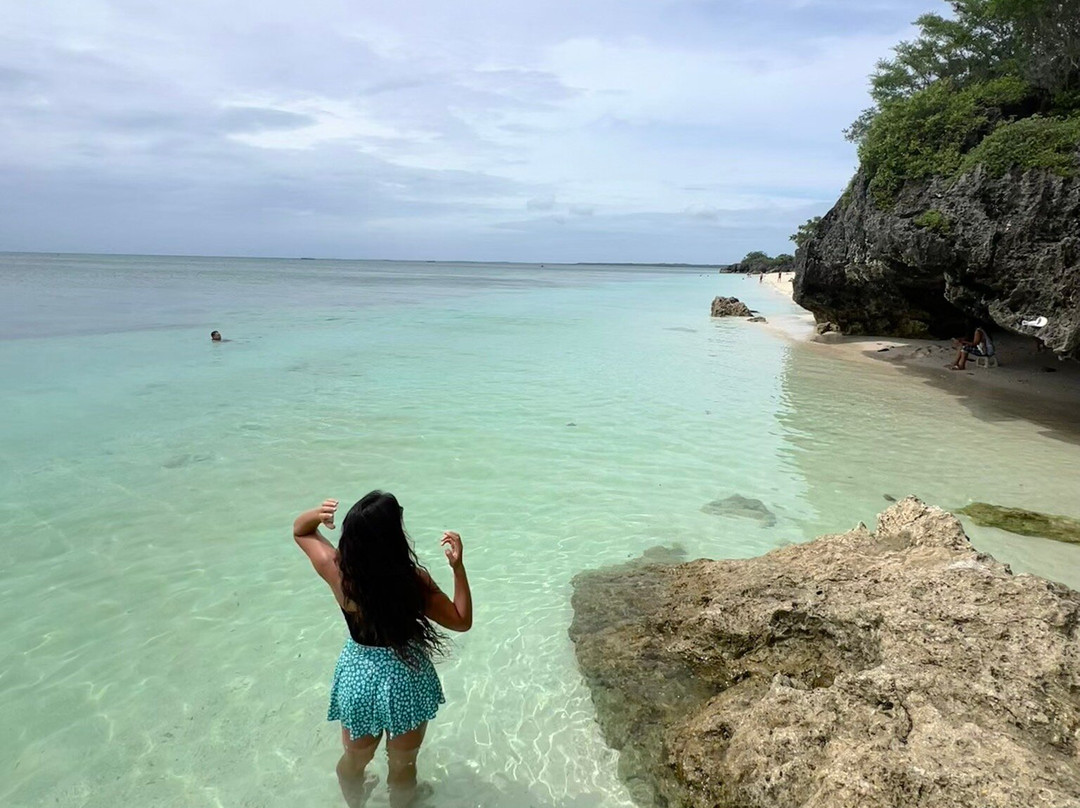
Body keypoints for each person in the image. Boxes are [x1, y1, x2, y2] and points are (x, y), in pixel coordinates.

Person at [293, 492, 472, 806]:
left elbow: (300, 531)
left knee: (354, 759)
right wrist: (458, 568)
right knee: (403, 766)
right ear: (394, 538)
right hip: (406, 680)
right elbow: (461, 620)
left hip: (358, 678)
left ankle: (355, 804)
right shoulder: (414, 582)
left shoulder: (338, 573)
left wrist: (318, 515)